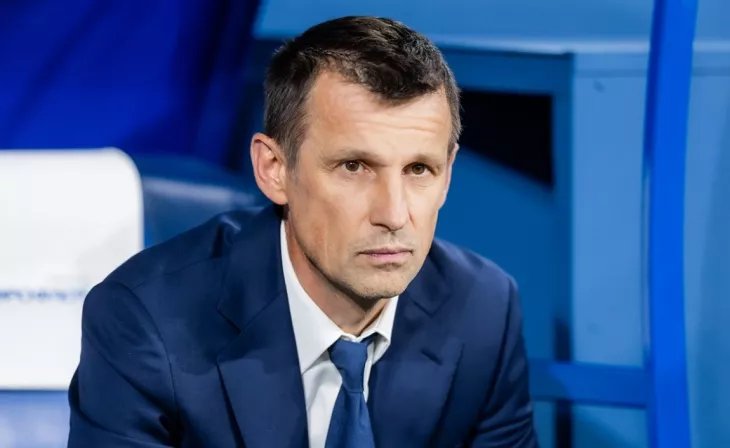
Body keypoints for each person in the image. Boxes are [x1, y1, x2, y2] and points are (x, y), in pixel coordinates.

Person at [67, 16, 537, 448]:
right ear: (274, 169)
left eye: (419, 169)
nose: (394, 215)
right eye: (354, 167)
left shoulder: (481, 309)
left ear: (447, 174)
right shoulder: (146, 321)